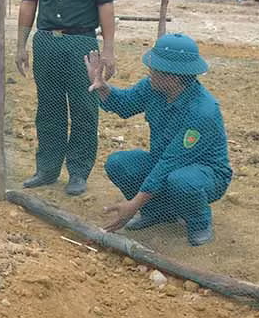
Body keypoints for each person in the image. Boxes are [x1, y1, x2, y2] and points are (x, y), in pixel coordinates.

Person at [85, 34, 232, 246]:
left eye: (154, 69)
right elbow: (125, 105)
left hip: (204, 175)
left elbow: (170, 162)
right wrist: (102, 87)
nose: (150, 72)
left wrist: (133, 205)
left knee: (180, 181)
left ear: (173, 77)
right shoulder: (152, 88)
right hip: (164, 162)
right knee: (118, 164)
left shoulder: (203, 111)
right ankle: (157, 212)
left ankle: (199, 222)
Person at [16, 0, 117, 196]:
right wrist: (21, 45)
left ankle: (78, 172)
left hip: (81, 44)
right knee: (48, 107)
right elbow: (27, 4)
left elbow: (106, 7)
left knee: (85, 107)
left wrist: (108, 50)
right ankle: (47, 169)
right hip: (46, 43)